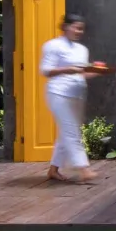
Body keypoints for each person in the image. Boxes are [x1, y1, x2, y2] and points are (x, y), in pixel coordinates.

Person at [39, 14, 100, 183]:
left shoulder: (82, 50)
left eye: (81, 29)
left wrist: (97, 71)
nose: (79, 31)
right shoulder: (52, 46)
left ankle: (53, 169)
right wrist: (67, 69)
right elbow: (45, 70)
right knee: (71, 131)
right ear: (66, 26)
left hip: (77, 94)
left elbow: (81, 73)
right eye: (76, 27)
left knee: (67, 132)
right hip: (58, 94)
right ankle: (84, 169)